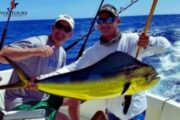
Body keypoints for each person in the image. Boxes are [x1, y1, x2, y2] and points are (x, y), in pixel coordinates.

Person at [29, 4, 171, 120]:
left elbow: (166, 45)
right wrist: (41, 80)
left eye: (109, 19)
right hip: (111, 111)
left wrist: (149, 41)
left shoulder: (133, 40)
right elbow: (73, 68)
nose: (104, 24)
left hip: (136, 112)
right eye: (100, 21)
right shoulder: (94, 51)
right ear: (97, 24)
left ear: (117, 21)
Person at [0, 14, 80, 120]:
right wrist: (34, 51)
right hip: (21, 101)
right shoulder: (38, 42)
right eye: (59, 26)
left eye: (66, 29)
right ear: (53, 27)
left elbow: (59, 80)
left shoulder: (62, 53)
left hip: (43, 100)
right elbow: (2, 55)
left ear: (70, 35)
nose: (61, 31)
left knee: (75, 99)